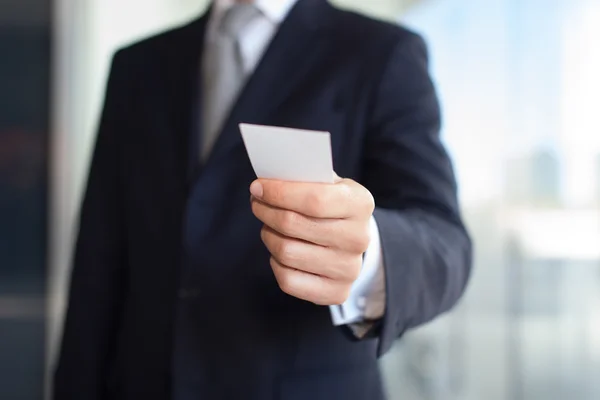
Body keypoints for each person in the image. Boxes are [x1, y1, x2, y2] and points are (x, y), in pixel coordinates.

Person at [53, 0, 472, 399]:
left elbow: (444, 242)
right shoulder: (136, 68)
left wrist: (366, 256)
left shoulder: (382, 53)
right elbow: (98, 263)